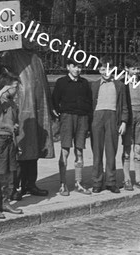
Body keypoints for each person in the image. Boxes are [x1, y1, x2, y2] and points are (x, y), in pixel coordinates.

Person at [0, 49, 55, 201]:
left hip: (36, 108)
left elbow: (44, 83)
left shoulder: (36, 57)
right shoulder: (11, 54)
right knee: (20, 150)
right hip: (21, 109)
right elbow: (3, 80)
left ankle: (30, 183)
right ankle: (15, 187)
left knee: (34, 147)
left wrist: (50, 103)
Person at [0, 71, 23, 219]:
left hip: (9, 139)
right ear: (7, 87)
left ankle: (4, 202)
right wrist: (1, 91)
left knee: (8, 174)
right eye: (14, 87)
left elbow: (14, 122)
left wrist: (15, 130)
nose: (17, 89)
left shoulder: (13, 104)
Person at [52, 58, 93, 196]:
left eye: (80, 67)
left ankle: (78, 182)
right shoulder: (61, 82)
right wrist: (59, 114)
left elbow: (89, 102)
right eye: (74, 66)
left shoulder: (85, 83)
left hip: (82, 118)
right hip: (67, 117)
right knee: (65, 150)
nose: (77, 69)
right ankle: (63, 184)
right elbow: (54, 101)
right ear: (68, 67)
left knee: (79, 151)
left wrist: (88, 120)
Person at [90, 56, 129, 193]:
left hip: (113, 118)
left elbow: (124, 106)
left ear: (113, 70)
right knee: (97, 152)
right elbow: (90, 105)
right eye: (102, 69)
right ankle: (97, 182)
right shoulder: (94, 85)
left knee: (111, 151)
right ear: (99, 70)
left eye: (108, 69)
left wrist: (123, 121)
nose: (105, 72)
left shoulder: (119, 85)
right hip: (97, 118)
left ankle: (111, 181)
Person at [121, 56, 140, 191]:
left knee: (138, 149)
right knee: (127, 149)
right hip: (128, 117)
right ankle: (127, 179)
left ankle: (138, 179)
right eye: (133, 68)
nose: (136, 71)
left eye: (138, 68)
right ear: (126, 69)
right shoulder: (122, 83)